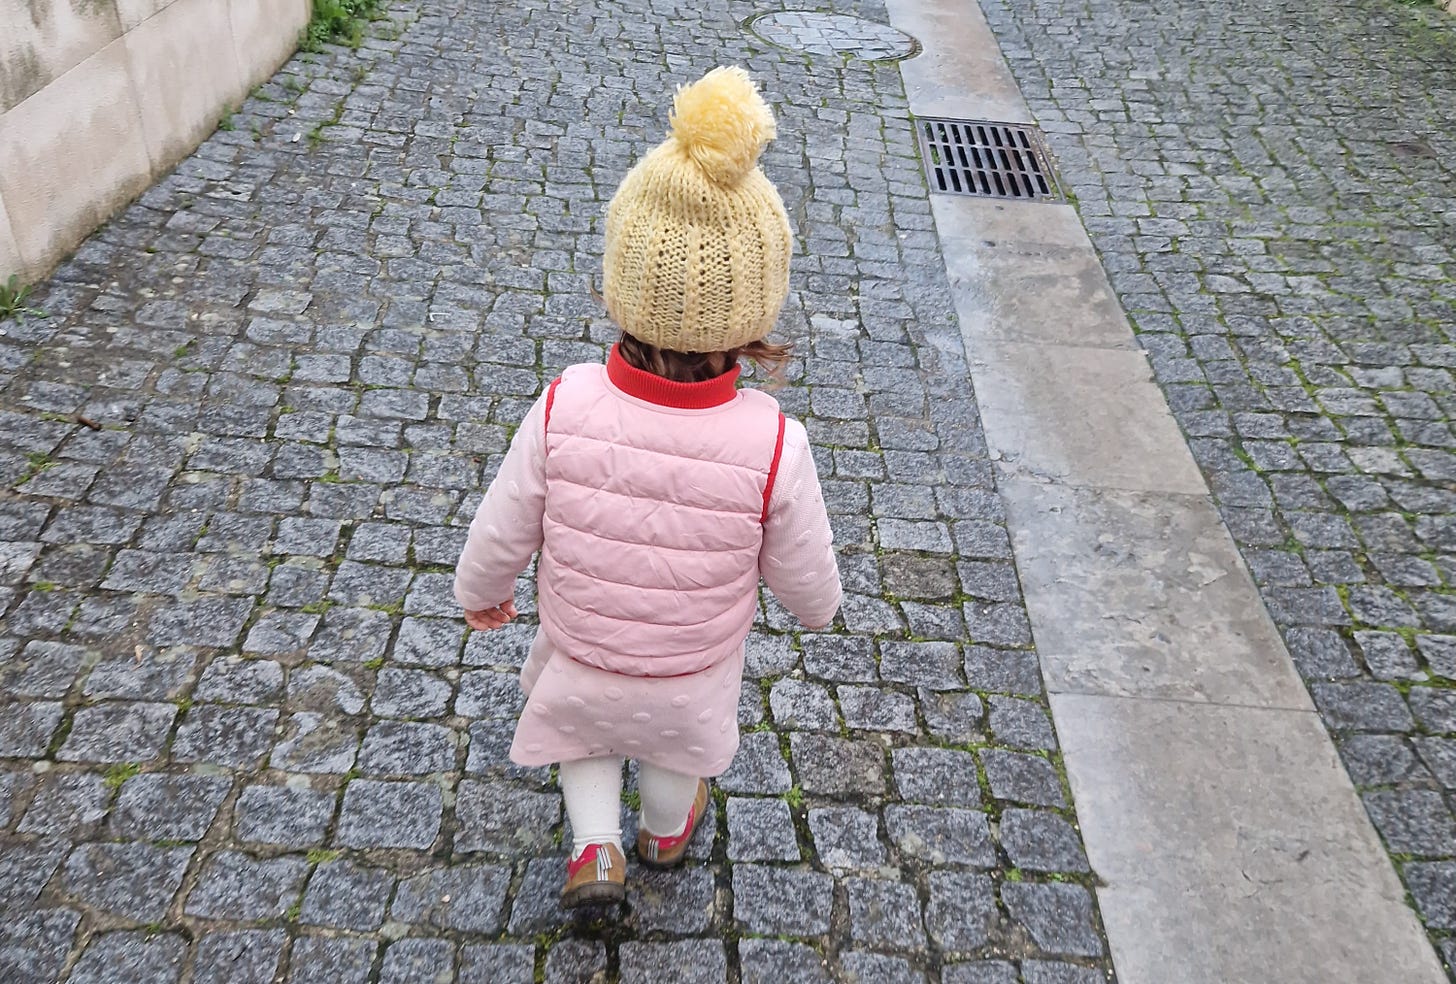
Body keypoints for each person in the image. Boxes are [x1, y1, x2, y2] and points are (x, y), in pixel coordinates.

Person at [453, 65, 842, 908]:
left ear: (624, 278)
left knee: (585, 736)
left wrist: (481, 589)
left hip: (584, 644)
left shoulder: (565, 405)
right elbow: (806, 576)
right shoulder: (774, 441)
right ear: (756, 305)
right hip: (691, 669)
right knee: (674, 753)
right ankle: (663, 836)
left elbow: (506, 519)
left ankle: (594, 850)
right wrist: (817, 609)